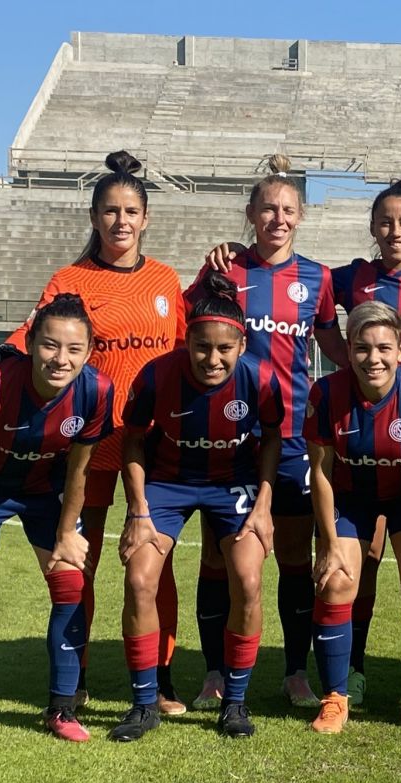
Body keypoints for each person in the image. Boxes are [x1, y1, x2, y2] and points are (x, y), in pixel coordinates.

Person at [207, 176, 401, 706]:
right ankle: (351, 667)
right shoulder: (347, 279)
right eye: (386, 222)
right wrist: (235, 251)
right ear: (373, 228)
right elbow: (322, 318)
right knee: (360, 562)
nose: (395, 230)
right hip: (350, 436)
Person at [0, 151, 188, 713]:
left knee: (152, 562)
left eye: (132, 211)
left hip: (151, 447)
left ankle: (160, 675)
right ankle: (78, 670)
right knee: (77, 559)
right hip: (82, 444)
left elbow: (188, 354)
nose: (121, 221)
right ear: (94, 218)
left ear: (146, 219)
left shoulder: (165, 280)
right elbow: (31, 338)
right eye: (111, 211)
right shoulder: (70, 280)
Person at [187, 155, 347, 710]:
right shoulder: (224, 271)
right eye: (268, 208)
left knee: (295, 559)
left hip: (295, 435)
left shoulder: (317, 278)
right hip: (231, 436)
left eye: (288, 209)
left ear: (300, 217)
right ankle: (213, 671)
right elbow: (187, 331)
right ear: (251, 214)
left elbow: (331, 345)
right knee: (218, 556)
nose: (278, 218)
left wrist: (378, 382)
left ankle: (295, 670)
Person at [110, 274, 283, 742]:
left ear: (241, 344)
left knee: (247, 579)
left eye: (224, 349)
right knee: (139, 579)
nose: (213, 358)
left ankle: (235, 701)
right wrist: (138, 509)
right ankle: (144, 704)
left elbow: (272, 438)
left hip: (234, 485)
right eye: (202, 347)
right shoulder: (157, 374)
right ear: (186, 340)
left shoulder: (262, 378)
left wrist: (263, 505)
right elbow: (133, 440)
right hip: (167, 484)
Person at [0, 295, 114, 747]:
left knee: (71, 581)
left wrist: (66, 533)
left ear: (89, 350)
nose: (61, 359)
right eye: (50, 345)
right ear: (31, 343)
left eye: (74, 349)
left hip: (45, 491)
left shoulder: (96, 390)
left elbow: (79, 469)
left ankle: (62, 707)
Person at [305, 301, 401, 737]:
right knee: (337, 579)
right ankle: (336, 696)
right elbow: (321, 472)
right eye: (363, 348)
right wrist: (330, 544)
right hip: (352, 498)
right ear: (347, 351)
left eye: (384, 348)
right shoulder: (327, 394)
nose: (374, 359)